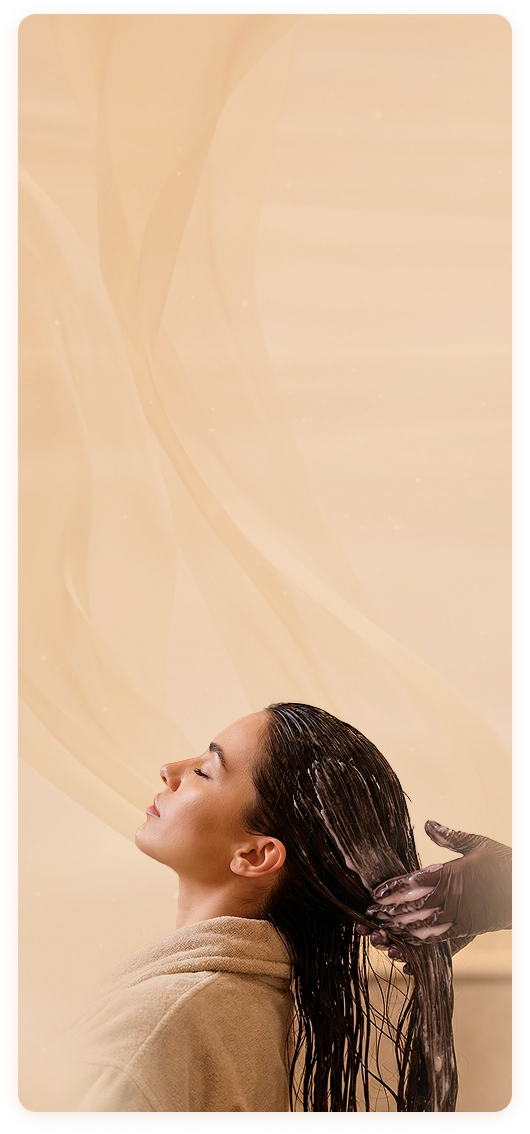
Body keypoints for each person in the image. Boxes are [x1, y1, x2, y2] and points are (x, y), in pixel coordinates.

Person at [45, 703, 511, 1115]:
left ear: (255, 855)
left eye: (204, 771)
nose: (169, 770)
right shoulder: (241, 1006)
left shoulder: (150, 1033)